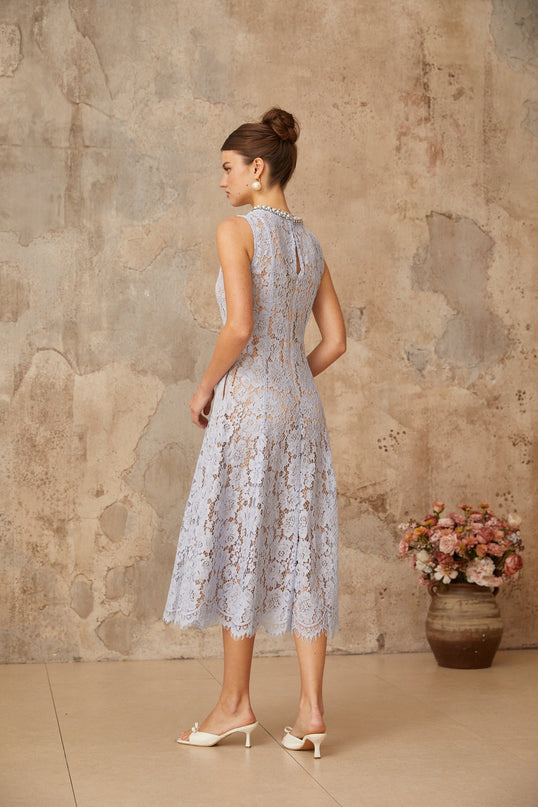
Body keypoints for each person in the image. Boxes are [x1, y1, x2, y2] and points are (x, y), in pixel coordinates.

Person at [163, 108, 346, 758]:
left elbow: (239, 327)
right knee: (303, 543)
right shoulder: (310, 243)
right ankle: (312, 712)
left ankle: (235, 704)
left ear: (257, 168)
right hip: (302, 409)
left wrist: (205, 387)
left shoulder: (236, 230)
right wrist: (289, 378)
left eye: (228, 168)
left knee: (241, 540)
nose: (222, 181)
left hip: (248, 408)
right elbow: (335, 341)